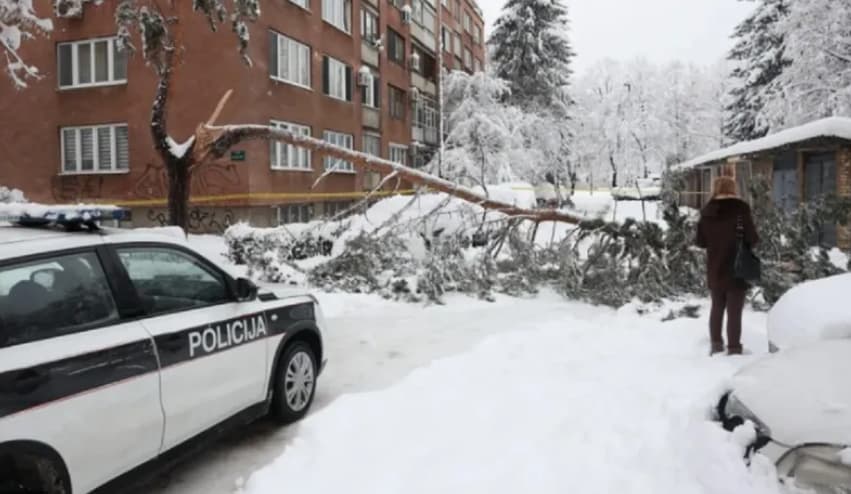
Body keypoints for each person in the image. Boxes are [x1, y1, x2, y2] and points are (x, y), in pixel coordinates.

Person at [695, 176, 759, 356]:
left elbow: (700, 242)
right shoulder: (741, 209)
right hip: (737, 267)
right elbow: (752, 238)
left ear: (715, 189)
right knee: (734, 311)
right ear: (733, 188)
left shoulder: (707, 211)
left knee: (717, 307)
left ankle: (716, 345)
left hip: (715, 266)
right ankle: (734, 348)